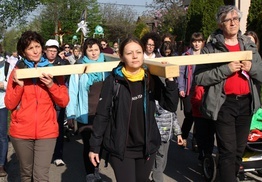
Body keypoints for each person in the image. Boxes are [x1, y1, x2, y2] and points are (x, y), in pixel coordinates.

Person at [194, 5, 262, 181]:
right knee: (227, 151)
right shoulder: (211, 48)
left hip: (246, 104)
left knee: (238, 151)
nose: (233, 22)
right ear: (221, 24)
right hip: (224, 104)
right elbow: (199, 78)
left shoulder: (248, 45)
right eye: (228, 19)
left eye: (236, 19)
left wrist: (252, 69)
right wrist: (225, 70)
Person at [89, 36, 178, 182]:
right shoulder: (114, 81)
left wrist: (170, 80)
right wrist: (94, 146)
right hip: (122, 148)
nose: (135, 56)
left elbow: (170, 105)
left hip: (146, 147)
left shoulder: (149, 78)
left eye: (138, 52)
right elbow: (102, 115)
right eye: (130, 53)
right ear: (122, 57)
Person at [4, 31, 69, 182]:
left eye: (37, 46)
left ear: (43, 48)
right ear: (23, 52)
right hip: (21, 132)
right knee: (26, 174)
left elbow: (63, 101)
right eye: (30, 48)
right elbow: (9, 104)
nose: (35, 51)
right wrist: (19, 86)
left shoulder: (53, 71)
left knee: (40, 176)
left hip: (47, 131)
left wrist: (51, 85)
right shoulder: (17, 71)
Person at [66, 37, 107, 180]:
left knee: (100, 144)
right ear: (85, 51)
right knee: (89, 144)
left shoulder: (107, 66)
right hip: (86, 113)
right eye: (90, 50)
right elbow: (72, 91)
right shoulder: (79, 66)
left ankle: (96, 168)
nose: (94, 53)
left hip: (103, 114)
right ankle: (90, 173)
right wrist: (71, 114)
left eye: (96, 49)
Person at [44, 39, 70, 167]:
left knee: (59, 128)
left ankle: (58, 155)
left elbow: (66, 78)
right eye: (50, 51)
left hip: (58, 99)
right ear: (45, 51)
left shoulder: (63, 63)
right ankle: (46, 154)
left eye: (55, 51)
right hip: (45, 101)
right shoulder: (40, 63)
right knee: (46, 129)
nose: (52, 53)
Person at [177, 32, 205, 150]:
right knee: (189, 115)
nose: (197, 44)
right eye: (194, 41)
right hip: (189, 90)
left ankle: (196, 141)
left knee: (200, 116)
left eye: (199, 41)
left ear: (202, 42)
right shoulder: (186, 55)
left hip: (201, 89)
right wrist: (181, 88)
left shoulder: (206, 55)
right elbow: (181, 74)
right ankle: (183, 137)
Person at [151, 101, 183, 182]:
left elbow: (174, 118)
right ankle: (157, 179)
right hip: (158, 138)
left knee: (163, 163)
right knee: (158, 163)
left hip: (167, 138)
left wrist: (178, 134)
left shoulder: (171, 102)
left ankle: (155, 177)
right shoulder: (155, 101)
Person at [191, 85, 215, 165]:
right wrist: (204, 103)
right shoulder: (199, 88)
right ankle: (202, 156)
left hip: (210, 116)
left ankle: (208, 155)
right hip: (200, 116)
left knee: (210, 137)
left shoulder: (214, 88)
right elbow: (194, 101)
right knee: (201, 137)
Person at [0, 44, 12, 177]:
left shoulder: (6, 65)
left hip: (2, 105)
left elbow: (10, 83)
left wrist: (3, 84)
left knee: (2, 136)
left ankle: (1, 164)